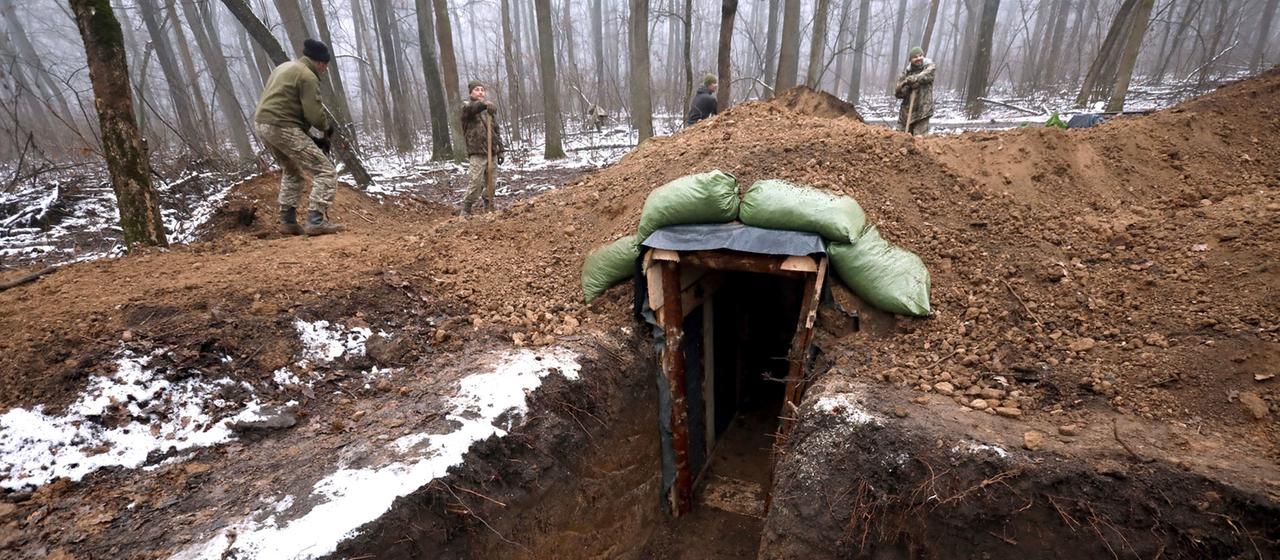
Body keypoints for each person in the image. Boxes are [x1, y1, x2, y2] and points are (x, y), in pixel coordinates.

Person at [253, 38, 342, 236]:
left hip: (263, 124)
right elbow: (314, 114)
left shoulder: (284, 68)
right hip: (282, 126)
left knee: (292, 170)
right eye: (325, 65)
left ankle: (288, 221)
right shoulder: (307, 76)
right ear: (319, 62)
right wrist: (326, 129)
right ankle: (316, 221)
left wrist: (310, 138)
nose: (325, 70)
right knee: (326, 171)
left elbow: (286, 107)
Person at [460, 80, 506, 214]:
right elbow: (471, 110)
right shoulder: (466, 107)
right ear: (470, 93)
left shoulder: (488, 111)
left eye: (482, 90)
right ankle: (466, 208)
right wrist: (484, 104)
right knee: (476, 182)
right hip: (476, 152)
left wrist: (501, 150)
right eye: (477, 89)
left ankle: (489, 205)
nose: (480, 92)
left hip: (492, 152)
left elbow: (496, 131)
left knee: (491, 183)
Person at [895, 47, 936, 136]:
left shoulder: (929, 67)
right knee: (899, 138)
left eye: (920, 55)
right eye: (915, 57)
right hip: (906, 113)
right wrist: (907, 84)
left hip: (922, 111)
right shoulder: (907, 72)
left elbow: (926, 75)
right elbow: (898, 92)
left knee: (919, 139)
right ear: (910, 60)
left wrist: (915, 79)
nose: (918, 58)